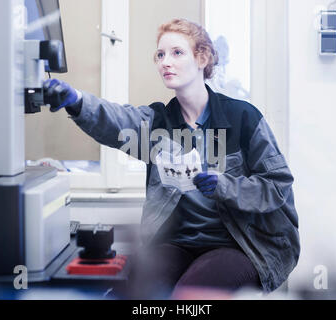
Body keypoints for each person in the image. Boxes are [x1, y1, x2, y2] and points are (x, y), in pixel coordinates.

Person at [43, 18, 300, 299]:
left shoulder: (244, 118)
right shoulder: (158, 122)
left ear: (202, 58)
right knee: (131, 293)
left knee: (187, 297)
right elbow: (115, 120)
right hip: (177, 243)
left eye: (177, 53)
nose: (166, 62)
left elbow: (277, 186)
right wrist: (76, 100)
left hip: (239, 245)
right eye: (160, 55)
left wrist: (224, 186)